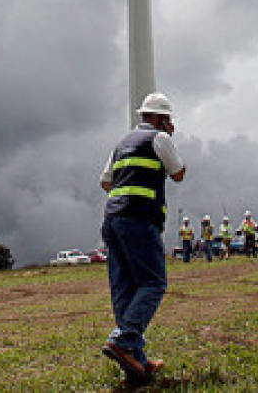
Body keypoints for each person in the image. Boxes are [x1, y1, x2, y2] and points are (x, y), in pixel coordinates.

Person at [99, 91, 186, 381]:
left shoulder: (121, 143)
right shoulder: (159, 139)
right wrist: (169, 139)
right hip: (139, 219)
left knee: (124, 289)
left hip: (112, 219)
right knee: (153, 283)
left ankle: (135, 358)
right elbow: (178, 173)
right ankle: (123, 339)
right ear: (162, 119)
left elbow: (105, 182)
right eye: (168, 120)